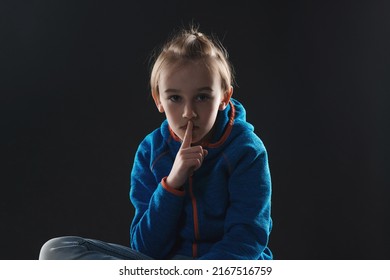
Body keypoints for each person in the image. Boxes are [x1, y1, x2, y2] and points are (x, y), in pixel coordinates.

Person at [39, 24, 273, 260]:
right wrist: (172, 183)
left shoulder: (247, 150)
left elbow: (247, 240)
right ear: (158, 100)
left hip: (229, 269)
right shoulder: (150, 151)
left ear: (224, 97)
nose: (188, 112)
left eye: (202, 97)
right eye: (174, 98)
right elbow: (145, 248)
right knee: (55, 251)